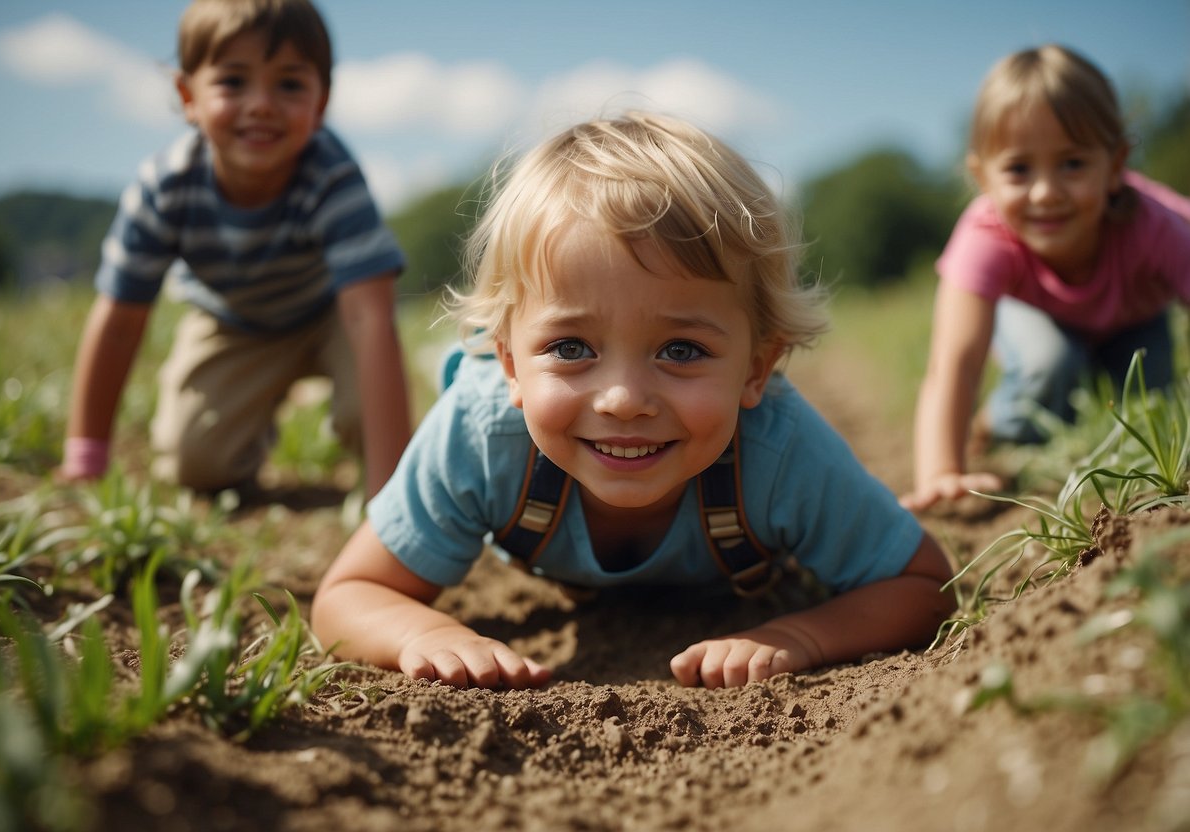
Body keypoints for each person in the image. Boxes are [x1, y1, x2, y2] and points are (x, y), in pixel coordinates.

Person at [311, 111, 954, 690]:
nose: (622, 399)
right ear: (507, 362)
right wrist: (428, 635)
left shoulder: (779, 450)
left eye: (680, 351)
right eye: (569, 347)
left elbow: (922, 585)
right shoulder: (481, 435)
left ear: (758, 367)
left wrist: (797, 635)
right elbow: (350, 593)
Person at [59, 0, 411, 499]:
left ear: (322, 101)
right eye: (233, 81)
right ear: (188, 96)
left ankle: (383, 469)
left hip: (331, 316)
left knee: (368, 412)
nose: (262, 103)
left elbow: (369, 320)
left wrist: (389, 498)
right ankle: (263, 404)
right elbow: (118, 323)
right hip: (233, 321)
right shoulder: (165, 188)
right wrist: (86, 454)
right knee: (195, 464)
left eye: (289, 84)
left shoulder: (332, 180)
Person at [903, 44, 1190, 512]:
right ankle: (1000, 426)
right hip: (1036, 316)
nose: (1045, 192)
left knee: (1151, 407)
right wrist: (941, 472)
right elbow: (952, 365)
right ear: (984, 178)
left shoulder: (1157, 226)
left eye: (1072, 163)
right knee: (1050, 363)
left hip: (1134, 321)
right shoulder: (985, 236)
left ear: (1116, 166)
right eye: (1018, 169)